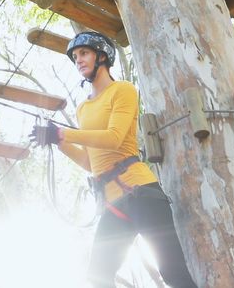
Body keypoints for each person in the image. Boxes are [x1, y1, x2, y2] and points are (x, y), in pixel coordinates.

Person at [30, 32, 197, 287]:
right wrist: (58, 141)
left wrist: (63, 132)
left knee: (171, 270)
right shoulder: (83, 108)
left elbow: (114, 138)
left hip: (141, 193)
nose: (79, 60)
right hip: (113, 204)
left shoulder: (123, 90)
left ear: (102, 56)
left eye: (84, 53)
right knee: (97, 277)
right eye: (75, 57)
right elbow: (90, 162)